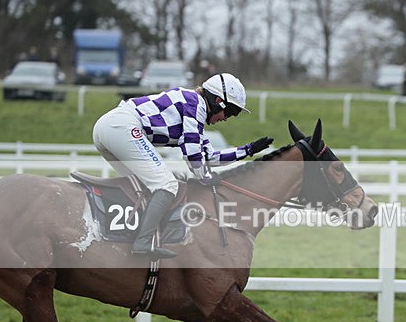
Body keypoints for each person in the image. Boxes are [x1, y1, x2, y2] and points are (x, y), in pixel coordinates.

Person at [92, 72, 273, 260]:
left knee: (143, 187)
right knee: (168, 185)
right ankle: (143, 243)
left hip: (111, 127)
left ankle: (125, 236)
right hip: (122, 127)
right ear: (218, 101)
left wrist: (249, 150)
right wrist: (205, 177)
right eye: (230, 111)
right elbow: (192, 153)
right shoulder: (195, 104)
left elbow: (209, 157)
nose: (227, 118)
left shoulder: (193, 111)